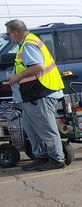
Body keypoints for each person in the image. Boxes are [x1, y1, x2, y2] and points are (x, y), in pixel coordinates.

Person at [4, 20, 66, 170]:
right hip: (32, 95)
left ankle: (57, 160)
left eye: (8, 34)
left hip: (41, 93)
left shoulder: (29, 44)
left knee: (46, 129)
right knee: (31, 129)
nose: (8, 37)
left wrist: (16, 78)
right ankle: (41, 157)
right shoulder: (25, 44)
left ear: (16, 33)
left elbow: (38, 67)